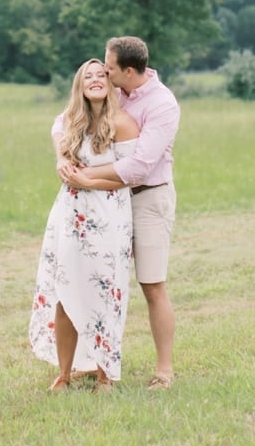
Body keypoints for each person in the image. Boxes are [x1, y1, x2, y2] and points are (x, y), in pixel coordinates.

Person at [58, 35, 179, 390]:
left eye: (109, 69)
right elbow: (63, 119)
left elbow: (139, 167)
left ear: (128, 71)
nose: (104, 74)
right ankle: (85, 362)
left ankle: (164, 371)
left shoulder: (162, 105)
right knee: (94, 279)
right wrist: (62, 159)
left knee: (152, 284)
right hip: (107, 203)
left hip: (147, 197)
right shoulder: (116, 90)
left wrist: (85, 177)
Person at [29, 58, 138, 392]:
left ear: (109, 83)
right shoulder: (69, 121)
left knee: (105, 292)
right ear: (79, 85)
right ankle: (65, 371)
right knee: (65, 290)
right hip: (69, 217)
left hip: (109, 215)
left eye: (99, 75)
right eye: (86, 76)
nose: (94, 79)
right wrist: (62, 161)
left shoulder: (123, 123)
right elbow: (58, 143)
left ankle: (105, 372)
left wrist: (88, 181)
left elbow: (127, 176)